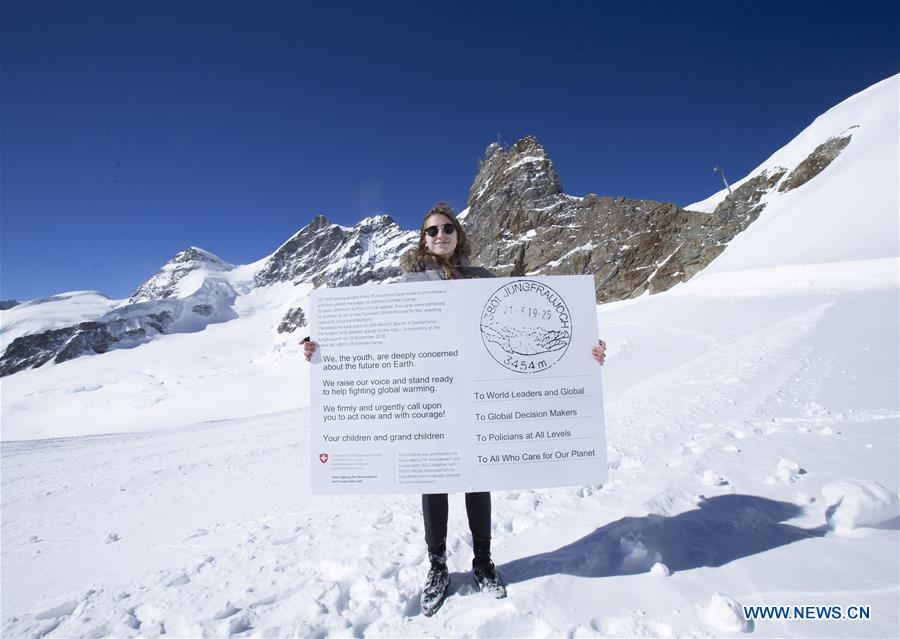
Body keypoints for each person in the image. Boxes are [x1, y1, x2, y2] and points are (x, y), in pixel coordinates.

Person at [304, 202, 606, 616]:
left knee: (477, 477)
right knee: (435, 478)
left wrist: (584, 352)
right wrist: (323, 349)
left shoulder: (484, 281)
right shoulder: (408, 285)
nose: (440, 235)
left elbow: (518, 332)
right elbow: (382, 340)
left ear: (458, 233)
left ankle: (483, 562)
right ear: (422, 239)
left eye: (448, 228)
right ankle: (438, 566)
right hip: (430, 399)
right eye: (432, 230)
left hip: (475, 395)